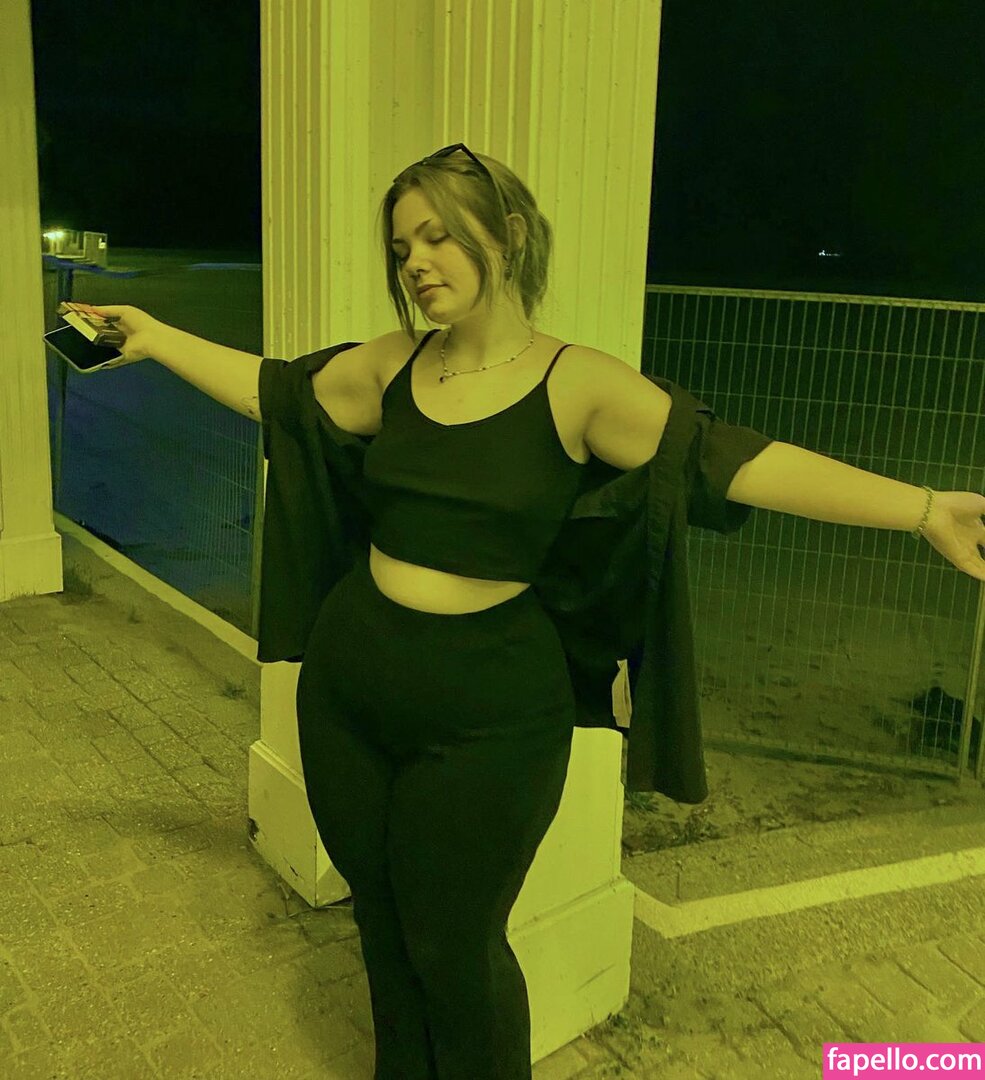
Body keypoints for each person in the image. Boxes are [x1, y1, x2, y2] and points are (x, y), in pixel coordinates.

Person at [81, 145, 985, 1080]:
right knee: (381, 920)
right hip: (350, 689)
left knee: (454, 947)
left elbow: (730, 462)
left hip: (490, 717)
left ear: (507, 236)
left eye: (438, 236)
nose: (416, 262)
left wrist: (922, 508)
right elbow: (274, 393)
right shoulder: (391, 364)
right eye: (402, 248)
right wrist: (155, 336)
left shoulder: (578, 383)